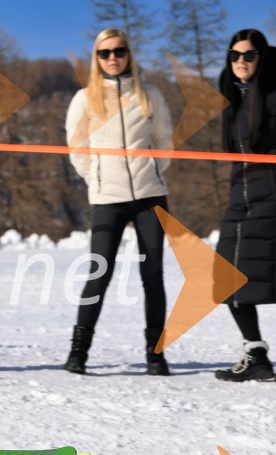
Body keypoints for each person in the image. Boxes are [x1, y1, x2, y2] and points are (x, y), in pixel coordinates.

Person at [63, 28, 174, 375]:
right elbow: (76, 148)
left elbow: (164, 142)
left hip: (150, 196)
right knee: (99, 275)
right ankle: (78, 353)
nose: (113, 58)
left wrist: (151, 170)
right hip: (107, 198)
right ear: (97, 58)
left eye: (119, 51)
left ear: (129, 54)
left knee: (153, 277)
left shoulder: (149, 93)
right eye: (105, 53)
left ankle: (156, 355)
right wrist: (96, 177)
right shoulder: (85, 98)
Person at [213, 29, 276, 382]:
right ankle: (255, 353)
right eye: (235, 55)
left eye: (249, 55)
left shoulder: (271, 93)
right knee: (228, 276)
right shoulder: (233, 95)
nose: (241, 62)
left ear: (261, 58)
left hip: (270, 193)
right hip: (243, 194)